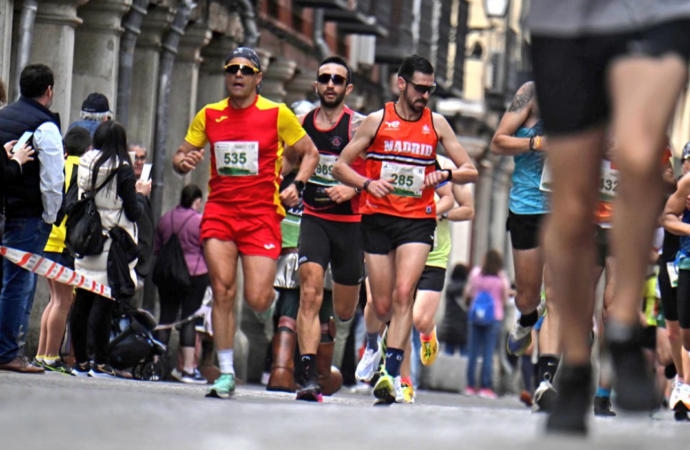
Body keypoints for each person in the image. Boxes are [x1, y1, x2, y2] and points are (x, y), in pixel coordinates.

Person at [528, 1, 690, 434]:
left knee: (639, 155)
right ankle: (577, 367)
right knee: (574, 204)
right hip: (564, 21)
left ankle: (621, 328)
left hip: (658, 12)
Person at [172, 47, 319, 399]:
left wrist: (296, 184)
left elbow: (309, 152)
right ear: (227, 75)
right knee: (223, 291)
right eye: (232, 69)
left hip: (261, 216)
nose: (238, 75)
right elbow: (180, 156)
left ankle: (272, 306)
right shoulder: (209, 115)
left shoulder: (277, 113)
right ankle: (225, 373)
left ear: (257, 78)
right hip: (220, 212)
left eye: (245, 70)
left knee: (256, 298)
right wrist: (184, 161)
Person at [333, 54, 478, 404]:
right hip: (378, 218)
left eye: (429, 90)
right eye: (419, 88)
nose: (424, 96)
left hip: (417, 220)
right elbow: (340, 167)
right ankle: (373, 345)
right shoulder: (377, 120)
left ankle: (391, 373)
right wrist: (366, 184)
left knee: (403, 296)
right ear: (401, 84)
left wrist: (444, 174)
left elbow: (470, 169)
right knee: (381, 305)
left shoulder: (437, 124)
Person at [294, 56, 367, 402]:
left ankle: (327, 348)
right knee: (309, 292)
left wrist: (353, 188)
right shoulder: (302, 123)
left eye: (338, 80)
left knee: (345, 310)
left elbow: (379, 170)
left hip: (350, 224)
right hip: (314, 217)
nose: (331, 85)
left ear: (347, 88)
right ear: (316, 84)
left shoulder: (358, 126)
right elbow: (286, 161)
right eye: (325, 78)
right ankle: (308, 375)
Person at [491, 81, 561, 412]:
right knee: (529, 297)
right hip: (527, 206)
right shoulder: (532, 93)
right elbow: (498, 142)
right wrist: (536, 142)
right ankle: (526, 319)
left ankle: (546, 380)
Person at [70, 120, 151, 378]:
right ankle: (101, 362)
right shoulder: (123, 169)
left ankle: (80, 361)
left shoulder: (86, 162)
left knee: (81, 300)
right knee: (104, 303)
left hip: (86, 237)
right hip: (111, 241)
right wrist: (140, 194)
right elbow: (132, 211)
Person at [0, 64, 64, 374]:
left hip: (4, 208)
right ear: (49, 90)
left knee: (7, 281)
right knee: (19, 284)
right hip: (27, 214)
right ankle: (9, 351)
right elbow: (52, 180)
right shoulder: (46, 126)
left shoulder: (4, 116)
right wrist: (50, 215)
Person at [34, 126, 91, 375]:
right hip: (65, 244)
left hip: (48, 239)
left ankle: (42, 353)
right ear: (88, 149)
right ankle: (52, 356)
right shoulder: (84, 172)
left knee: (54, 299)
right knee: (64, 301)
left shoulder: (60, 167)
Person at [153, 184, 208, 384]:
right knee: (188, 319)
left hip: (167, 274)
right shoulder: (199, 222)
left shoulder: (165, 218)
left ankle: (156, 364)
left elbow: (157, 248)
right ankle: (187, 369)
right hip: (195, 274)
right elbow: (206, 248)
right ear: (197, 200)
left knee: (165, 317)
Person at [661, 142, 690, 415]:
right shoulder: (683, 185)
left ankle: (684, 384)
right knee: (679, 331)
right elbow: (665, 216)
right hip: (676, 262)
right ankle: (682, 380)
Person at [463, 249, 509, 399]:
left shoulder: (476, 274)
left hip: (475, 315)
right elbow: (505, 297)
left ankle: (470, 386)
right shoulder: (500, 277)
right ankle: (485, 386)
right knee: (488, 352)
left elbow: (468, 292)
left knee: (473, 351)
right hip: (494, 316)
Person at [439, 263, 470, 356]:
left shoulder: (449, 287)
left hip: (449, 327)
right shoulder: (466, 289)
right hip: (463, 327)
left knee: (448, 353)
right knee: (464, 354)